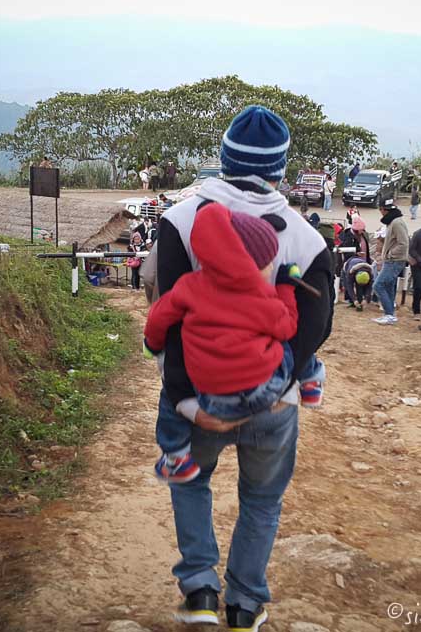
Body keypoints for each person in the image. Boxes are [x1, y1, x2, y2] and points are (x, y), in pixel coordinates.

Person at [155, 105, 332, 628]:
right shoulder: (306, 236)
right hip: (274, 405)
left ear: (224, 160)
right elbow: (314, 326)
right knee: (262, 499)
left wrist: (189, 401)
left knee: (189, 480)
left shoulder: (181, 221)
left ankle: (200, 592)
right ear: (279, 169)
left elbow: (173, 317)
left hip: (198, 397)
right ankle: (245, 604)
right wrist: (275, 389)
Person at [144, 203, 327, 480]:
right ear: (250, 264)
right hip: (267, 393)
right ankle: (311, 378)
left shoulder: (189, 286)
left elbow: (158, 318)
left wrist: (152, 344)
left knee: (170, 398)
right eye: (268, 263)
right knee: (287, 345)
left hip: (211, 400)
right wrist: (286, 288)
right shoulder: (264, 298)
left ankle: (176, 456)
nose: (270, 269)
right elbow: (289, 327)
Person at [372, 197, 409, 325]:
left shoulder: (396, 223)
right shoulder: (394, 221)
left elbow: (403, 243)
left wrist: (389, 254)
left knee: (378, 285)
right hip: (392, 260)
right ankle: (390, 314)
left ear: (383, 210)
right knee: (388, 286)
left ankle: (389, 314)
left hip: (394, 260)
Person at [338, 215, 371, 305]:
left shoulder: (363, 235)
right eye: (361, 230)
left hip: (363, 262)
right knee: (349, 281)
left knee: (360, 281)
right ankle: (350, 299)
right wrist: (355, 254)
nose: (362, 231)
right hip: (350, 264)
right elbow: (342, 250)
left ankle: (360, 298)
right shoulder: (346, 236)